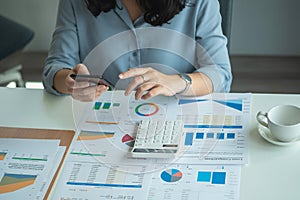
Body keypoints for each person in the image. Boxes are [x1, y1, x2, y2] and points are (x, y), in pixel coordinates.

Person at [43, 0, 232, 102]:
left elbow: (220, 75)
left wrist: (176, 82)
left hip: (176, 120)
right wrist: (70, 82)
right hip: (101, 120)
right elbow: (56, 68)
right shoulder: (76, 3)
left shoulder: (200, 3)